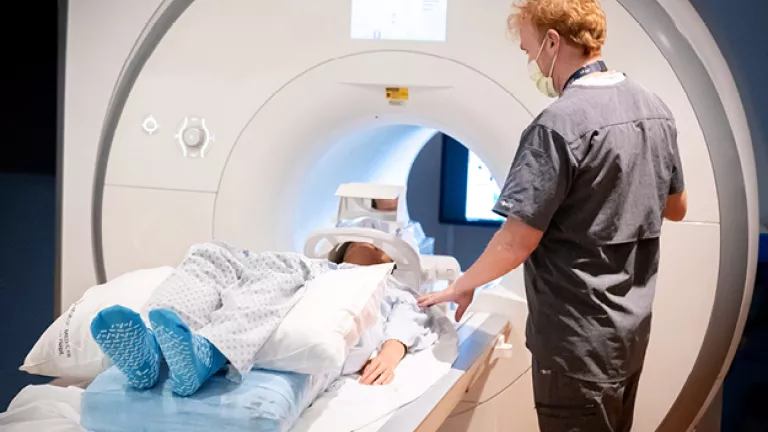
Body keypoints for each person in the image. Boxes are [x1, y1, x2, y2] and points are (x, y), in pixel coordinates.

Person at [417, 1, 687, 431]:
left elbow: (515, 242)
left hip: (576, 344)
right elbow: (676, 208)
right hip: (628, 335)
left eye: (529, 50)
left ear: (553, 42)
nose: (531, 61)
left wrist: (462, 285)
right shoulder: (654, 108)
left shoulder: (558, 125)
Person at [89, 241, 432, 397]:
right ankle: (149, 351)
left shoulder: (388, 286)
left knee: (276, 274)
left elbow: (413, 313)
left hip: (297, 278)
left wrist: (390, 353)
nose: (373, 245)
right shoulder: (321, 263)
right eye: (362, 241)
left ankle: (206, 355)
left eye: (379, 247)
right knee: (210, 255)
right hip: (282, 266)